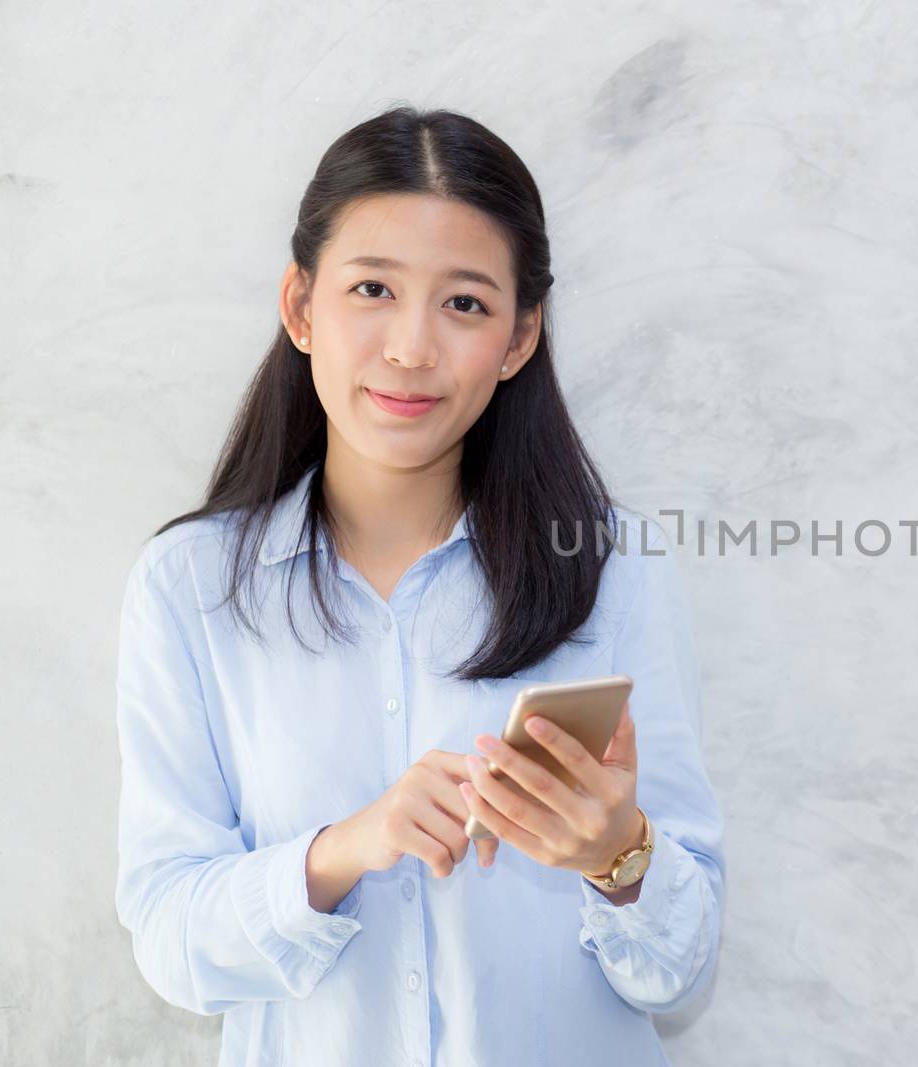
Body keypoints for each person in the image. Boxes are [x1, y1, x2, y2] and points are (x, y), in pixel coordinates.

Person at [112, 105, 725, 1066]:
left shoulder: (613, 570)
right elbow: (169, 941)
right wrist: (343, 849)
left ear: (519, 338)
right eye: (372, 289)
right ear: (301, 306)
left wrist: (619, 853)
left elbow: (680, 975)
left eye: (465, 304)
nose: (410, 347)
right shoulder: (191, 587)